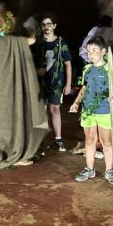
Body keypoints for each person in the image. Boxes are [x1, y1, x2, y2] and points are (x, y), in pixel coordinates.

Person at [0, 5, 48, 169]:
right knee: (12, 120)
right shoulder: (10, 42)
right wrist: (31, 29)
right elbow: (32, 41)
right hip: (7, 93)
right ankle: (17, 154)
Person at [70, 36, 113, 184]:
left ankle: (109, 170)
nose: (91, 54)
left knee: (106, 142)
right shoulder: (87, 69)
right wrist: (76, 102)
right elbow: (84, 88)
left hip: (104, 110)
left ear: (103, 51)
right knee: (90, 139)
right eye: (89, 51)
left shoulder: (110, 69)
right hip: (88, 111)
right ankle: (89, 169)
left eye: (94, 50)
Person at [40, 12, 72, 151]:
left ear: (54, 26)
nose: (46, 27)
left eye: (49, 24)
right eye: (43, 24)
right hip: (40, 82)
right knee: (41, 110)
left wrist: (68, 84)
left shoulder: (60, 43)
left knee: (55, 109)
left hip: (56, 82)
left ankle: (58, 139)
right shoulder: (37, 42)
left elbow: (68, 64)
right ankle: (40, 140)